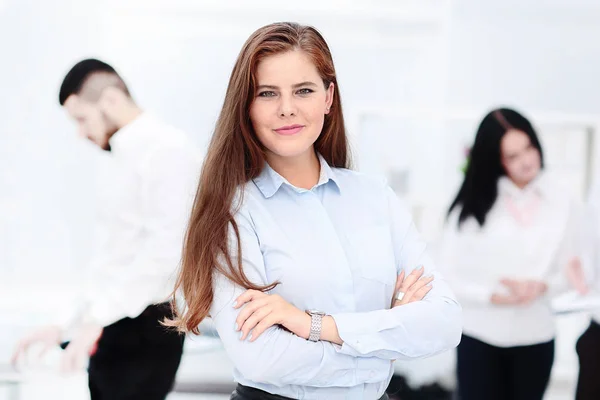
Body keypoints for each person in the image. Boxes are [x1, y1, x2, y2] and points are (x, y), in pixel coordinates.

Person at [165, 22, 462, 400]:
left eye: (303, 90)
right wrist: (386, 342)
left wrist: (311, 325)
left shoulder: (375, 198)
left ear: (328, 97)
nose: (287, 109)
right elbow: (262, 358)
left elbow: (445, 323)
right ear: (247, 107)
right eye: (267, 93)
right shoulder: (234, 212)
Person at [11, 59, 200, 399]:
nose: (81, 133)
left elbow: (165, 253)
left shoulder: (168, 151)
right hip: (114, 326)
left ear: (110, 100)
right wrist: (64, 323)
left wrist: (96, 318)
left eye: (82, 119)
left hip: (148, 327)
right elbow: (111, 260)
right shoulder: (121, 157)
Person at [439, 107, 581, 400]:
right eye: (512, 156)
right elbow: (447, 275)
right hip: (480, 336)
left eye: (528, 147)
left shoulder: (562, 199)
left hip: (536, 337)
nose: (526, 161)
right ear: (495, 160)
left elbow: (575, 270)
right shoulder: (473, 204)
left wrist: (544, 287)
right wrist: (492, 295)